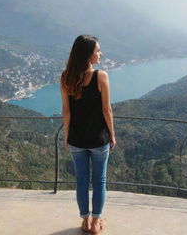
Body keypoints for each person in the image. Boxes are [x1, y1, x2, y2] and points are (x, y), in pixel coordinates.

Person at [60, 35, 116, 234]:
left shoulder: (66, 77)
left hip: (76, 139)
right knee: (99, 181)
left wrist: (67, 136)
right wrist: (113, 135)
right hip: (99, 140)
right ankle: (96, 222)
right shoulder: (101, 76)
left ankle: (85, 221)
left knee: (82, 181)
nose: (100, 53)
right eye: (97, 50)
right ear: (88, 54)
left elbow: (66, 111)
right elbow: (106, 110)